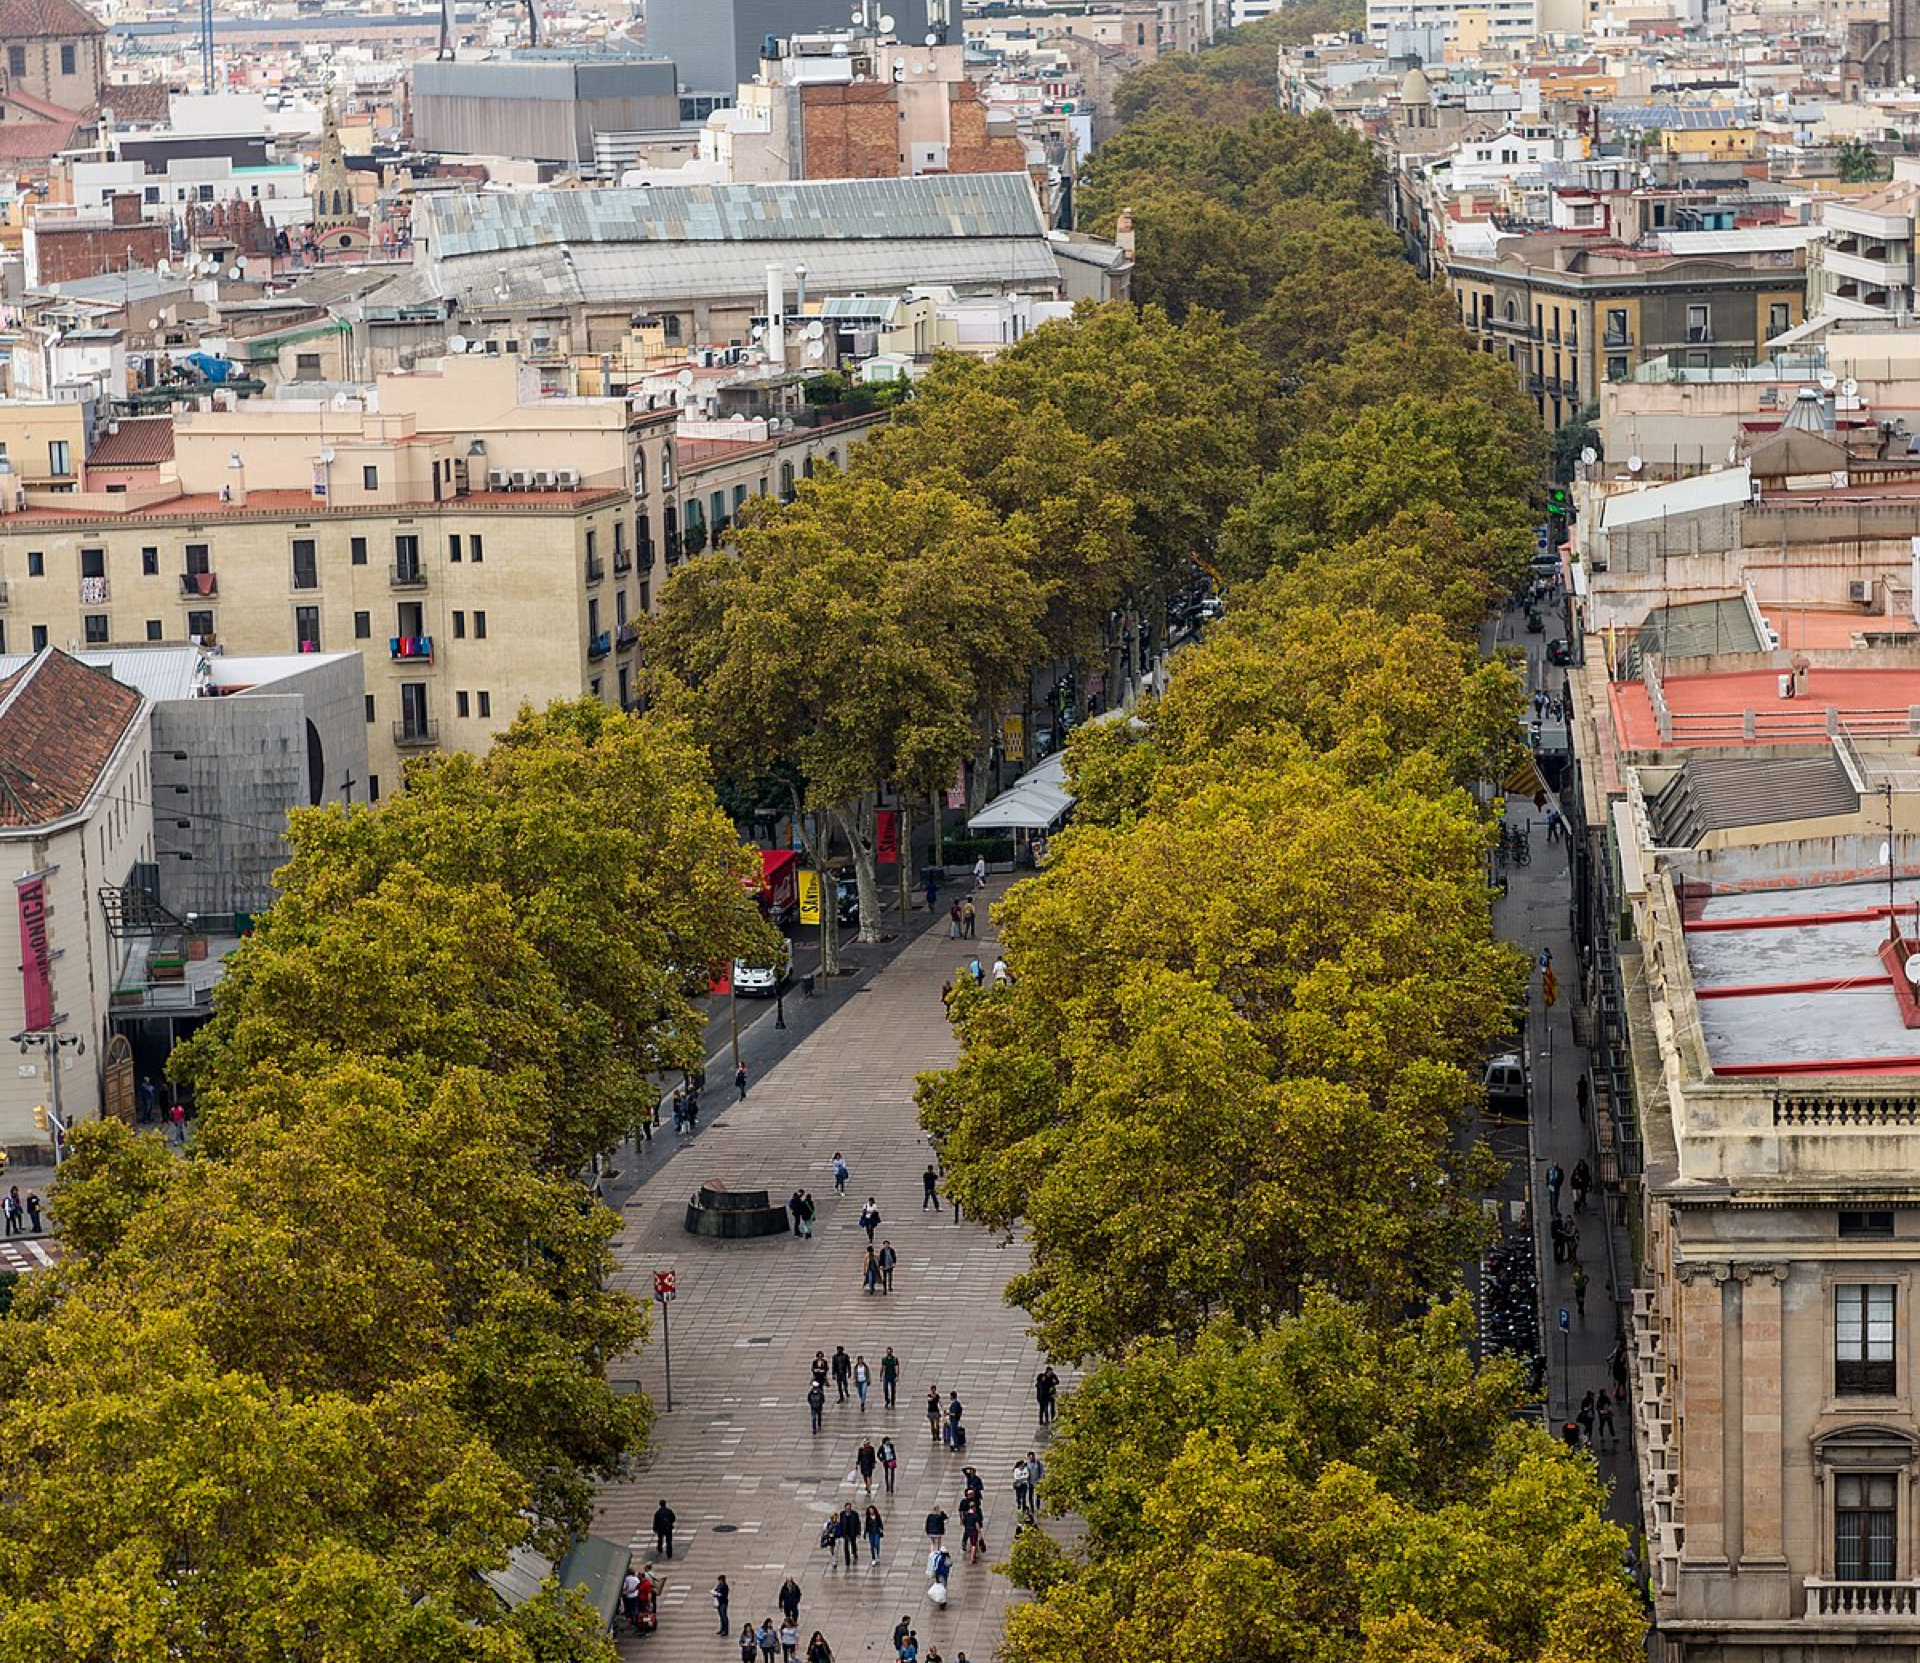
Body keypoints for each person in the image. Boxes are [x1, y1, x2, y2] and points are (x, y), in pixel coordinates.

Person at [837, 1501, 861, 1567]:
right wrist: (840, 1532)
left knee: (853, 1544)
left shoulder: (855, 1514)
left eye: (849, 1508)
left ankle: (854, 1553)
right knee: (846, 1547)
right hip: (845, 1533)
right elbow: (841, 1524)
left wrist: (858, 1532)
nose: (847, 1509)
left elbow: (858, 1524)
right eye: (846, 1508)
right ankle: (847, 1560)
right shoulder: (842, 1514)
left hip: (852, 1532)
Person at [621, 1566, 642, 1632]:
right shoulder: (636, 1579)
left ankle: (632, 1619)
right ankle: (636, 1618)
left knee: (630, 1608)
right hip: (636, 1595)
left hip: (629, 1596)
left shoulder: (626, 1579)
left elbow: (624, 1587)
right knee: (635, 1607)